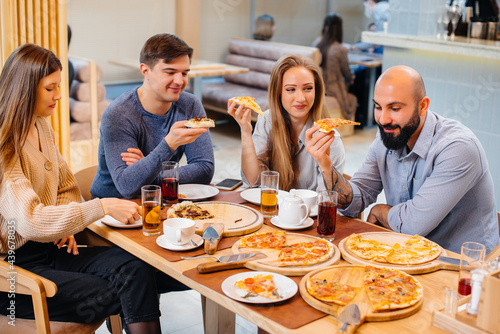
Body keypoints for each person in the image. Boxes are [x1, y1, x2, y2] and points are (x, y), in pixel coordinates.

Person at [0, 43, 186, 333]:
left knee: (135, 269)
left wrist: (66, 225)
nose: (59, 95)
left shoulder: (40, 126)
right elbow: (30, 220)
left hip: (50, 249)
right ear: (25, 90)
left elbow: (65, 185)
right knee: (117, 290)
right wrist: (102, 206)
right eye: (50, 89)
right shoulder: (5, 149)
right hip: (13, 273)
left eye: (59, 86)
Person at [326, 65, 499, 254]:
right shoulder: (388, 135)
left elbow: (413, 224)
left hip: (463, 266)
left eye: (395, 108)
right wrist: (325, 163)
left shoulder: (458, 148)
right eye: (378, 107)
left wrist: (380, 211)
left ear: (422, 106)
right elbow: (353, 202)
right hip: (408, 254)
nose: (383, 119)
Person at [91, 33, 215, 199]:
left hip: (159, 201)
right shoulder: (118, 114)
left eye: (184, 73)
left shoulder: (190, 105)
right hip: (112, 209)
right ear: (145, 71)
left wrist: (147, 169)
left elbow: (204, 170)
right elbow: (127, 186)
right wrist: (168, 145)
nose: (179, 81)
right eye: (170, 72)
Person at [228, 54, 345, 192]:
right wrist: (245, 131)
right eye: (290, 90)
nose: (300, 98)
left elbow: (326, 201)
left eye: (308, 88)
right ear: (278, 92)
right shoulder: (267, 120)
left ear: (317, 91)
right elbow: (253, 181)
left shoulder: (330, 138)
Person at [316, 13, 358, 120]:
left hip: (320, 85)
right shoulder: (339, 49)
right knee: (357, 83)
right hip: (333, 88)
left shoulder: (317, 44)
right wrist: (351, 78)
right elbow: (347, 73)